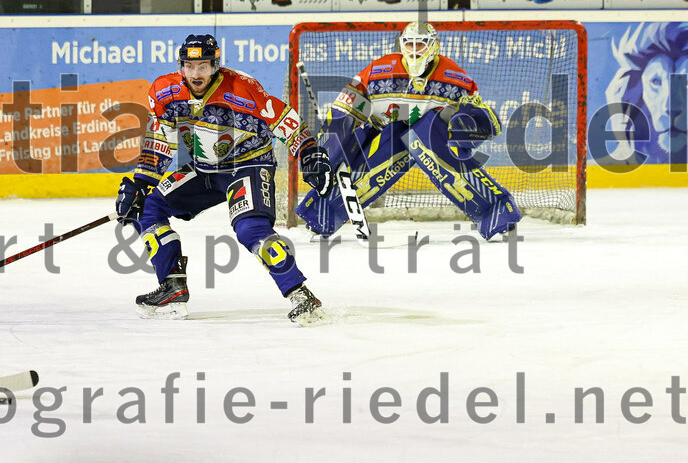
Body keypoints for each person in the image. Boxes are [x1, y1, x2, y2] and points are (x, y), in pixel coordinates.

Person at [115, 34, 333, 326]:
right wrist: (141, 182)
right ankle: (172, 287)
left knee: (250, 229)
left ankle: (300, 294)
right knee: (149, 208)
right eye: (189, 66)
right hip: (205, 169)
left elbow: (285, 120)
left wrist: (309, 153)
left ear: (215, 65)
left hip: (249, 164)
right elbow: (159, 142)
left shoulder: (243, 88)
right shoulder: (164, 91)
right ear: (181, 66)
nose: (196, 73)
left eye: (203, 66)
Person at [296, 22, 522, 241]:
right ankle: (321, 213)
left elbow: (480, 116)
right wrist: (326, 154)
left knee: (421, 131)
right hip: (381, 132)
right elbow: (345, 113)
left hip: (429, 135)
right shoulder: (378, 73)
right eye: (410, 44)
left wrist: (469, 125)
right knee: (393, 137)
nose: (414, 50)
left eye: (420, 44)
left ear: (433, 46)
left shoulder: (454, 79)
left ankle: (496, 210)